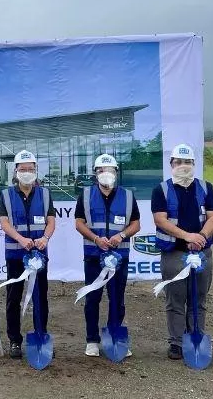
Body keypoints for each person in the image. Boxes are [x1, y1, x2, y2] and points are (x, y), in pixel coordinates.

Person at [151, 143, 213, 360]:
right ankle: (177, 343)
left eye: (188, 162)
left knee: (199, 298)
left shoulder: (206, 188)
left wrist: (200, 238)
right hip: (174, 253)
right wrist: (187, 236)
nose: (183, 166)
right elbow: (160, 219)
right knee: (175, 299)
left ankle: (196, 336)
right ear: (171, 164)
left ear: (194, 164)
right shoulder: (161, 190)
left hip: (202, 253)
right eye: (179, 162)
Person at [74, 153, 141, 358]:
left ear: (116, 173)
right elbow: (79, 223)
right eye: (101, 170)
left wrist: (121, 235)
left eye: (110, 170)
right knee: (92, 298)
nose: (106, 174)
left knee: (117, 299)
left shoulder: (128, 196)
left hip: (119, 257)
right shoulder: (85, 195)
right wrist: (96, 239)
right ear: (95, 173)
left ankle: (115, 335)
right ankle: (92, 340)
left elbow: (136, 224)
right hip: (94, 256)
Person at [0, 150, 56, 359]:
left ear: (35, 170)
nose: (27, 173)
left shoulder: (46, 194)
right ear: (15, 171)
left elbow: (51, 222)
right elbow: (4, 223)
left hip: (39, 256)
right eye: (23, 169)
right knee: (14, 298)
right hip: (15, 255)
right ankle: (14, 340)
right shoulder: (6, 195)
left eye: (31, 169)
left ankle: (41, 335)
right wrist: (21, 239)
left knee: (41, 297)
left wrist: (45, 238)